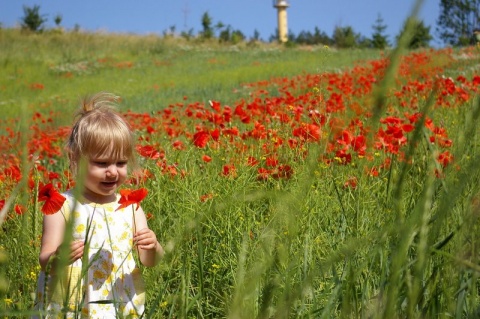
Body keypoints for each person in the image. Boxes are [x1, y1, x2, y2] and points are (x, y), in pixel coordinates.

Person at [33, 92, 164, 318]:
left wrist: (153, 246)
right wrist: (58, 256)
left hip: (119, 302)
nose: (113, 171)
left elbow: (149, 261)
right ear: (75, 159)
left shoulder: (130, 207)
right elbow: (45, 260)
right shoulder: (62, 206)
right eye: (102, 163)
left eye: (121, 162)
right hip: (73, 304)